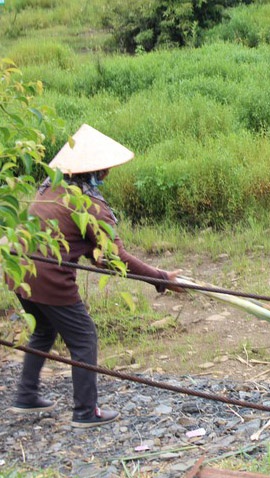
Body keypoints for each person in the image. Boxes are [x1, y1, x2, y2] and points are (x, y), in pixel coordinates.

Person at [8, 124, 183, 428]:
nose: (108, 174)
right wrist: (160, 277)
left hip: (19, 273)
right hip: (48, 278)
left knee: (44, 330)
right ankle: (86, 412)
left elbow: (92, 249)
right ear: (98, 171)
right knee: (84, 339)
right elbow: (115, 258)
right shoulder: (89, 204)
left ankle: (26, 395)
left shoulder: (50, 187)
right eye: (106, 169)